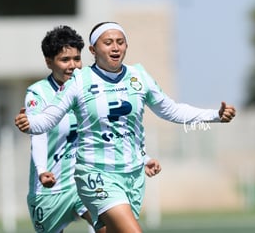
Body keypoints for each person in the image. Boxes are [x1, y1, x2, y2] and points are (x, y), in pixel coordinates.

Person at [15, 22, 236, 233]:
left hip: (129, 177)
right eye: (108, 42)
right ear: (94, 49)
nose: (115, 47)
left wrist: (214, 115)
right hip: (93, 175)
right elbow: (44, 124)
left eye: (120, 41)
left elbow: (170, 110)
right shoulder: (76, 83)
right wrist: (30, 126)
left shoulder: (138, 77)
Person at [24, 25, 161, 233]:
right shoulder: (38, 93)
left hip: (88, 180)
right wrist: (42, 170)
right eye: (65, 60)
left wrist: (144, 157)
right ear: (49, 62)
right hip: (50, 190)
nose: (72, 66)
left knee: (111, 228)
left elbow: (113, 131)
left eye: (77, 59)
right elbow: (39, 134)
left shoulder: (88, 87)